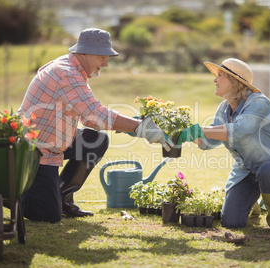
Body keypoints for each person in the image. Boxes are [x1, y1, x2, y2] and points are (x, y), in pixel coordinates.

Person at [19, 28, 172, 223]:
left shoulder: (74, 69)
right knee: (48, 215)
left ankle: (62, 197)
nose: (106, 63)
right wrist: (141, 127)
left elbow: (89, 120)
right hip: (35, 151)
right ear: (84, 52)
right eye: (102, 57)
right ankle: (4, 195)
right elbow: (96, 114)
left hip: (53, 142)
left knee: (95, 140)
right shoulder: (66, 73)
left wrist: (132, 127)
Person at [177, 58, 270, 235]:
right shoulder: (223, 109)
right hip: (247, 173)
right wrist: (190, 135)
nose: (214, 80)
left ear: (235, 81)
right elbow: (210, 142)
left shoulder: (258, 102)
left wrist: (200, 129)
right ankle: (254, 203)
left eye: (220, 76)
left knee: (268, 170)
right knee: (232, 222)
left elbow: (240, 130)